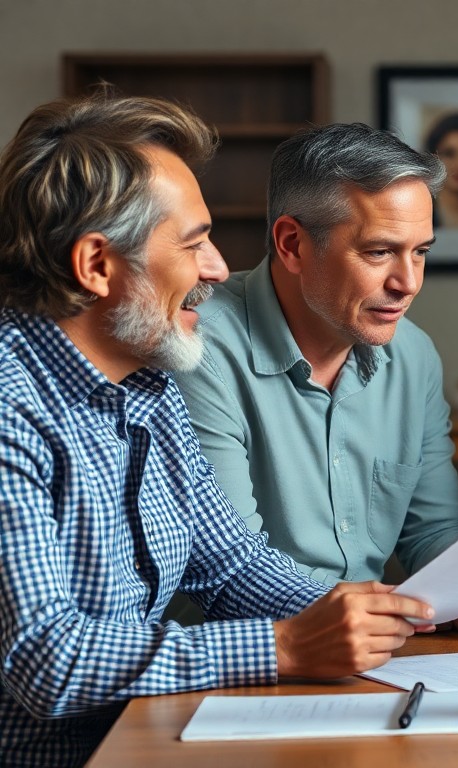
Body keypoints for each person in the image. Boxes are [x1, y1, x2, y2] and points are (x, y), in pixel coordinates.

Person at [0, 94, 435, 766]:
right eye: (194, 243)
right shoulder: (9, 405)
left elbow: (229, 564)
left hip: (149, 741)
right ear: (95, 265)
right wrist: (284, 647)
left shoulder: (149, 384)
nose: (216, 269)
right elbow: (45, 658)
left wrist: (372, 614)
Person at [174, 123, 458, 640]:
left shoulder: (413, 353)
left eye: (420, 252)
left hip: (378, 660)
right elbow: (233, 569)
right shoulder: (197, 349)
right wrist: (418, 606)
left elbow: (434, 529)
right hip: (240, 667)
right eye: (379, 252)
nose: (409, 283)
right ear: (292, 244)